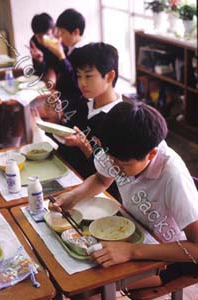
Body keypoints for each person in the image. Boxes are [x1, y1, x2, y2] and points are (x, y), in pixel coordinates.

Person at [50, 101, 198, 289]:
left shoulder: (173, 176)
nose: (113, 166)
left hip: (168, 254)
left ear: (151, 154)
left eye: (122, 165)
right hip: (133, 231)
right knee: (72, 268)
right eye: (110, 160)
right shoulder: (116, 150)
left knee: (90, 289)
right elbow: (101, 179)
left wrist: (132, 251)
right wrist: (71, 197)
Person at [53, 42, 122, 199]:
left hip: (95, 194)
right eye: (79, 76)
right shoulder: (83, 102)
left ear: (110, 76)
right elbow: (67, 139)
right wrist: (55, 120)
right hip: (67, 176)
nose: (82, 83)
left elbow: (114, 180)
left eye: (88, 76)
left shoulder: (120, 119)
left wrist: (85, 148)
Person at [43, 8, 86, 111]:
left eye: (62, 33)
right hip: (62, 97)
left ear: (76, 32)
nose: (60, 37)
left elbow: (75, 82)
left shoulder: (84, 52)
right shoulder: (68, 47)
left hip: (74, 103)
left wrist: (61, 56)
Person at [30, 13, 60, 83]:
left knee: (51, 80)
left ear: (53, 30)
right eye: (39, 36)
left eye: (47, 35)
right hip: (45, 71)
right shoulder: (34, 42)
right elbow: (38, 71)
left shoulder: (60, 39)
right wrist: (40, 61)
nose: (43, 40)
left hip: (60, 70)